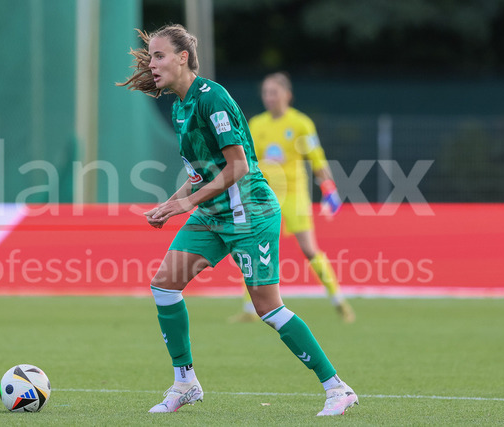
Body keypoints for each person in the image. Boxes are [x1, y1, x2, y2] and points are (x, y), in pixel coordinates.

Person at [117, 24, 358, 416]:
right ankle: (185, 382)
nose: (151, 64)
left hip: (251, 213)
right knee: (164, 285)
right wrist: (171, 203)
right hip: (213, 214)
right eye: (151, 57)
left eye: (159, 56)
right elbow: (201, 173)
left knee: (268, 308)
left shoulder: (213, 98)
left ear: (183, 58)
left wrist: (186, 203)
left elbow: (239, 166)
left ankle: (337, 388)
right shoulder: (180, 108)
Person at [230, 72, 355, 324]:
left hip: (295, 195)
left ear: (287, 95)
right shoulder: (256, 124)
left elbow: (316, 158)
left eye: (274, 92)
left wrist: (329, 188)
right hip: (264, 195)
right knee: (252, 248)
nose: (269, 97)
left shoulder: (300, 124)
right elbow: (247, 160)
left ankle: (339, 300)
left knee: (309, 249)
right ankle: (249, 308)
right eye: (266, 93)